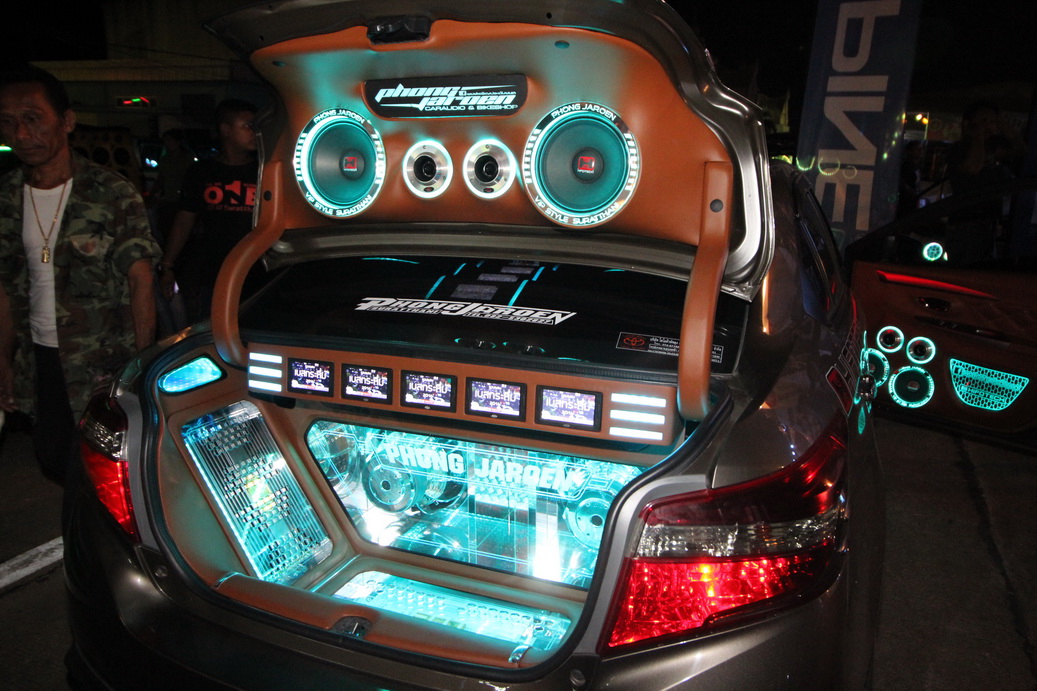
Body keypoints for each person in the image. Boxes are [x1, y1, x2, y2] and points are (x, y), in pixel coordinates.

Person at [0, 64, 160, 486]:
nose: (21, 134)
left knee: (106, 469)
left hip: (102, 361)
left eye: (33, 119)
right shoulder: (7, 197)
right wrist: (4, 359)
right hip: (39, 358)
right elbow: (5, 285)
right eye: (9, 122)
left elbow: (141, 279)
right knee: (54, 457)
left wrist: (142, 365)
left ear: (66, 121)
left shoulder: (111, 193)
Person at [159, 98, 263, 324]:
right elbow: (184, 220)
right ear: (226, 130)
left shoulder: (266, 170)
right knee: (214, 330)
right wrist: (167, 265)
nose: (255, 133)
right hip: (216, 273)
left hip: (260, 274)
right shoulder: (201, 172)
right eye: (247, 126)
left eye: (257, 127)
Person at [946, 101, 1026, 194]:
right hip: (970, 200)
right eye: (983, 121)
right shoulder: (957, 149)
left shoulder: (992, 145)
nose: (988, 126)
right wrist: (978, 134)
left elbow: (1020, 149)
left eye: (992, 122)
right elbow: (972, 168)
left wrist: (1003, 125)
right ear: (968, 123)